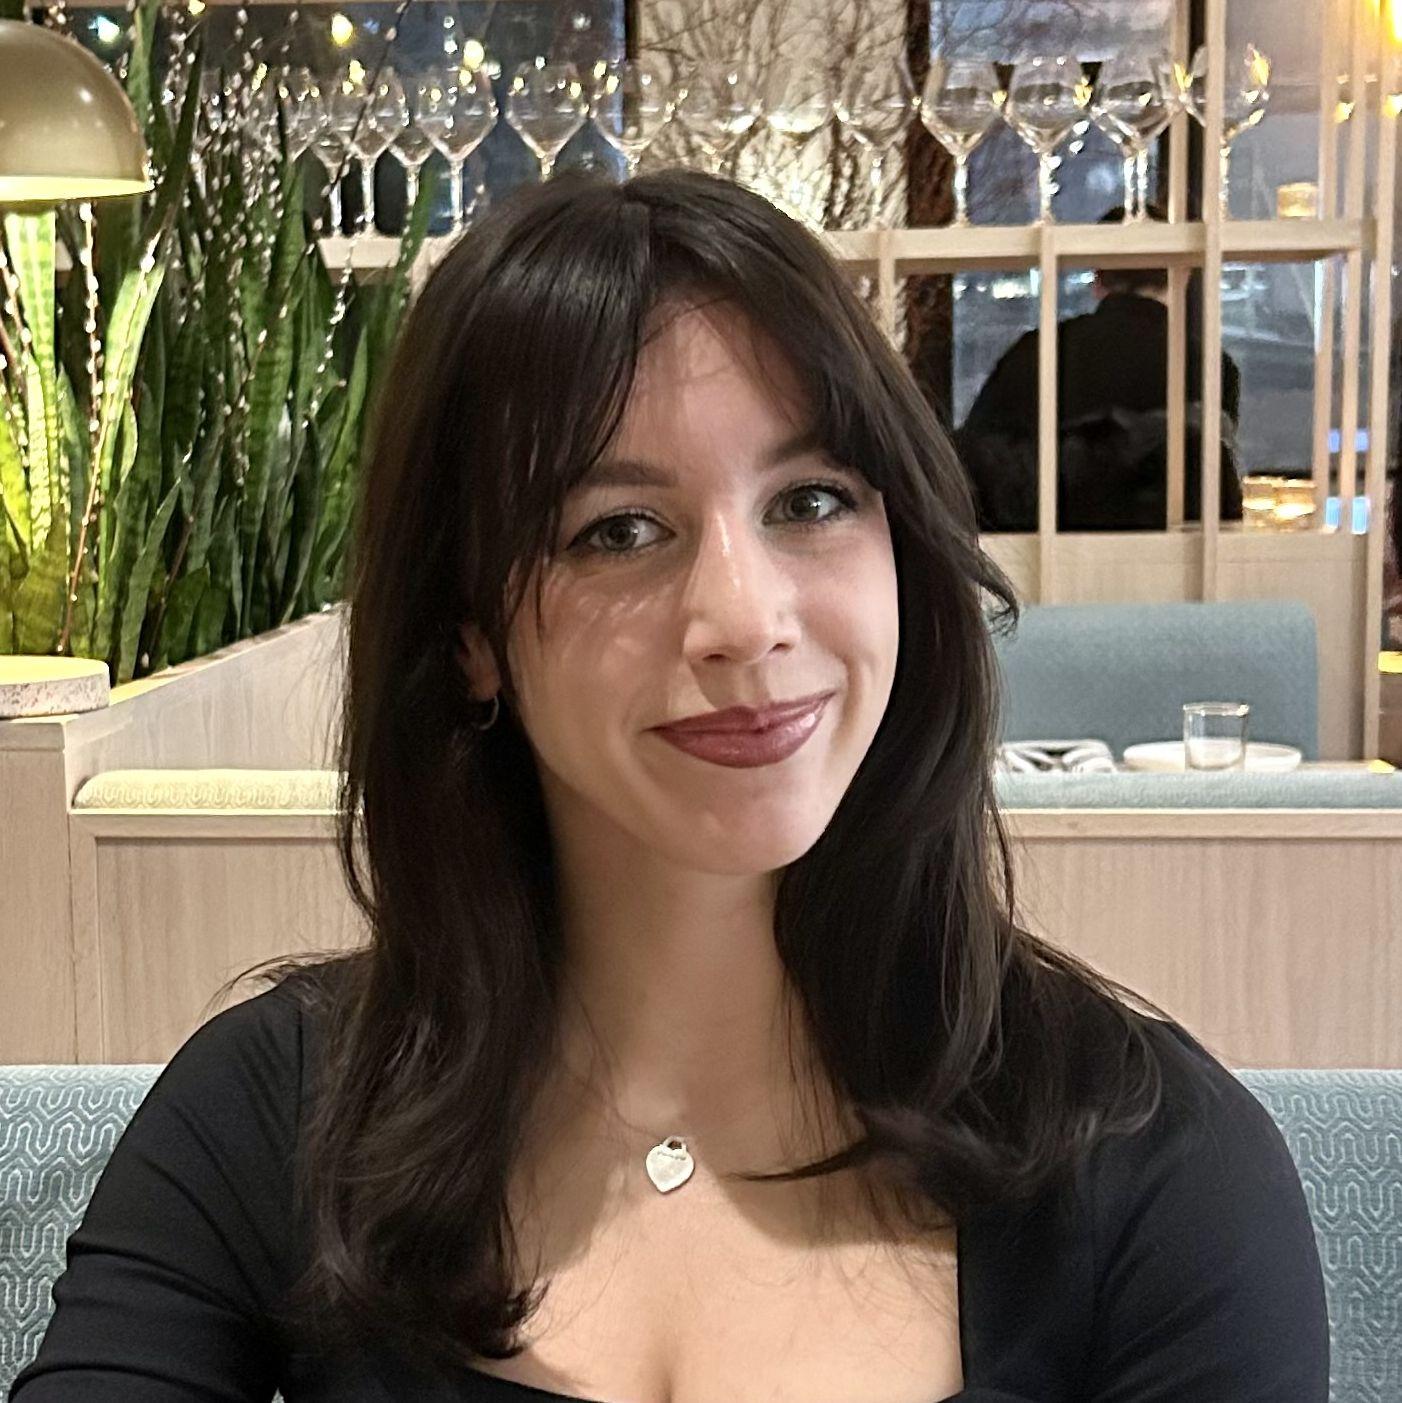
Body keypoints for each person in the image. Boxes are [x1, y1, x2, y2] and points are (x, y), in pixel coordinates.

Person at [10, 170, 1327, 1402]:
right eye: (619, 530)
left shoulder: (1153, 1164)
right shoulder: (276, 1111)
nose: (744, 619)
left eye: (810, 499)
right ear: (469, 636)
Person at [957, 204, 1244, 532]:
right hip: (1173, 554)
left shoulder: (1037, 351)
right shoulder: (1212, 365)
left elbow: (975, 469)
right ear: (1181, 276)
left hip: (1045, 551)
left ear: (1097, 277)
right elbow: (1213, 481)